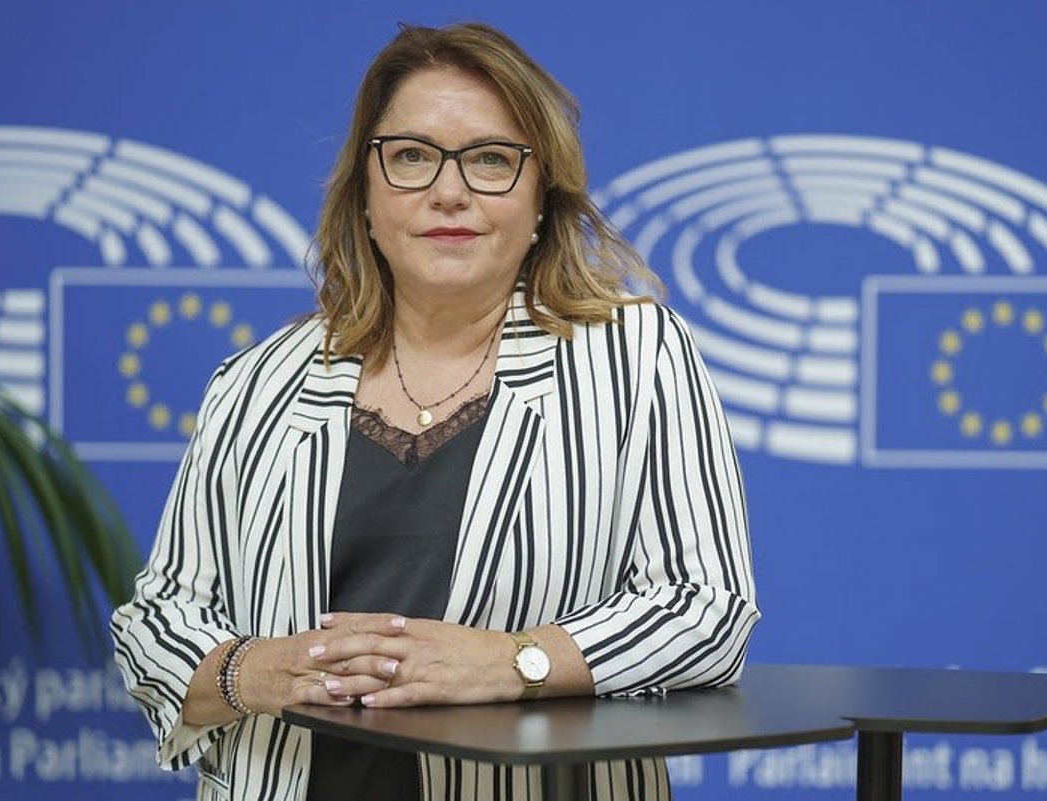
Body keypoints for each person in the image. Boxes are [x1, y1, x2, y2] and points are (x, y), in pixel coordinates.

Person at [111, 21, 758, 801]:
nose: (449, 191)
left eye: (490, 159)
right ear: (366, 191)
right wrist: (255, 669)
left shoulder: (635, 355)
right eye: (413, 156)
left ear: (542, 196)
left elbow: (705, 611)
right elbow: (158, 619)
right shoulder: (256, 382)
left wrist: (515, 661)